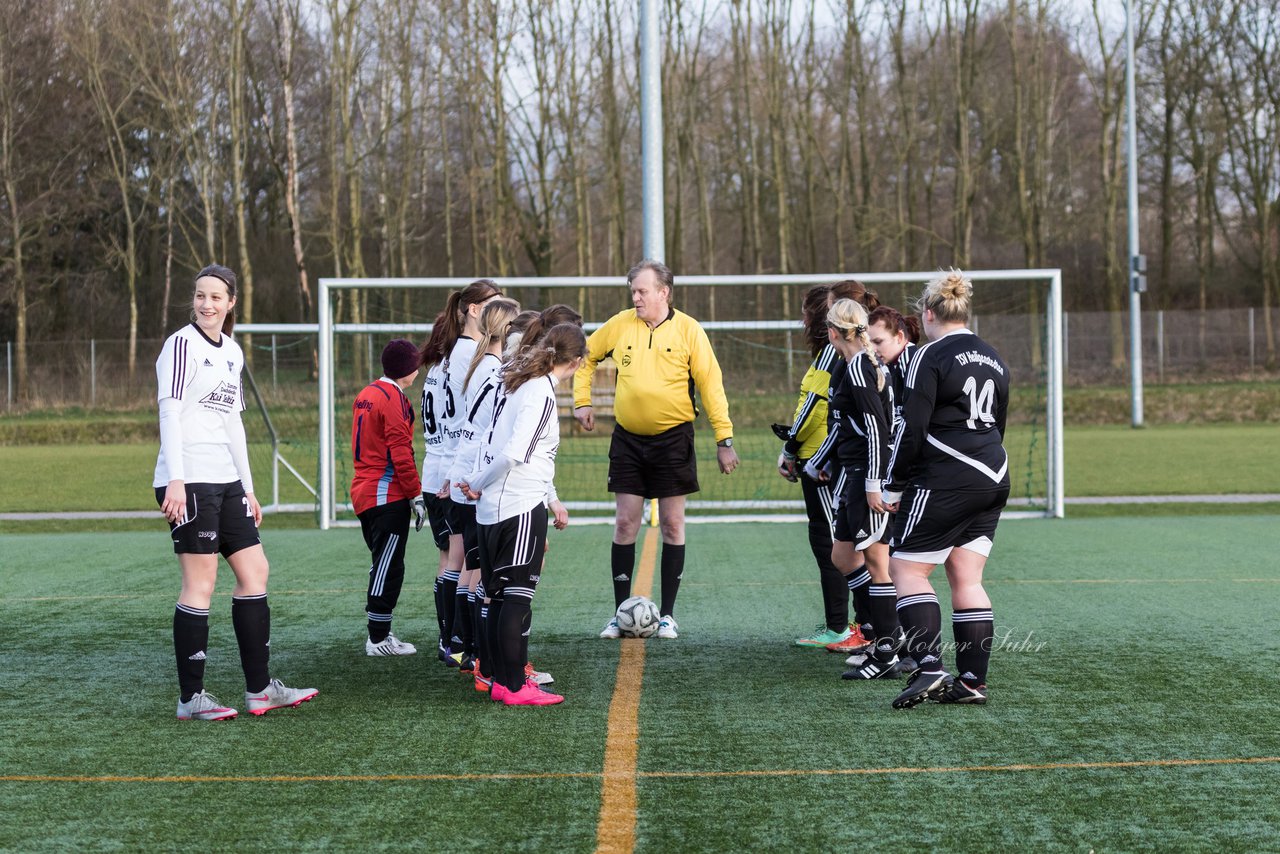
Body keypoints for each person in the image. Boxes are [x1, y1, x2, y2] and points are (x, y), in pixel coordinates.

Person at [155, 264, 317, 721]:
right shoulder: (179, 346)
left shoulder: (232, 351)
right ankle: (191, 699)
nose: (206, 304)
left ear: (231, 304)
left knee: (255, 572)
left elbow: (233, 423)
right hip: (189, 480)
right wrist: (176, 479)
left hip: (226, 481)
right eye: (200, 296)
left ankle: (260, 690)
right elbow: (169, 413)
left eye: (215, 297)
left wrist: (248, 488)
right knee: (200, 584)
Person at [575, 260, 738, 639]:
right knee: (625, 523)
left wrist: (724, 439)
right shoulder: (620, 324)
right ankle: (620, 614)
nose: (636, 297)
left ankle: (666, 615)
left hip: (673, 439)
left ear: (664, 292)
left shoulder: (689, 330)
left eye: (642, 291)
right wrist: (582, 400)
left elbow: (711, 386)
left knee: (672, 523)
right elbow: (585, 357)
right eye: (633, 291)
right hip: (628, 440)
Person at [881, 270, 1011, 709]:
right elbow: (999, 424)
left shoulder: (926, 355)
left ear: (929, 313)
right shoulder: (994, 356)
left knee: (906, 570)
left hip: (947, 477)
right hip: (994, 475)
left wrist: (894, 486)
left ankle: (930, 667)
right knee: (966, 576)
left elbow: (911, 428)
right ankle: (972, 680)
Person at [460, 323, 587, 705]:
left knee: (498, 596)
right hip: (515, 505)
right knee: (515, 598)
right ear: (578, 362)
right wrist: (479, 481)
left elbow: (504, 445)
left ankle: (502, 680)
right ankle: (514, 686)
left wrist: (551, 497)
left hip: (497, 505)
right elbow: (515, 454)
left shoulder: (521, 385)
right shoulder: (538, 393)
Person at [782, 281, 883, 654]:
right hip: (829, 459)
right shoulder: (843, 357)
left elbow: (819, 409)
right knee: (841, 543)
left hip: (831, 463)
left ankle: (854, 627)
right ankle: (862, 627)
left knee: (842, 545)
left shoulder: (840, 359)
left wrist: (794, 448)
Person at [817, 298, 901, 680]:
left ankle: (888, 649)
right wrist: (820, 460)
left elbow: (878, 430)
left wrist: (873, 484)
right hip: (850, 474)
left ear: (833, 332)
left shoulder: (860, 368)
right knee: (843, 557)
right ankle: (881, 633)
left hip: (865, 477)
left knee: (877, 564)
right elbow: (847, 425)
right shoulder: (853, 366)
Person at [442, 296, 522, 690]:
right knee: (479, 573)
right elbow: (490, 434)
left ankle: (466, 649)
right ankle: (477, 656)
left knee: (471, 567)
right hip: (473, 479)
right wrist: (477, 478)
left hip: (464, 474)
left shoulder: (483, 364)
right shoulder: (492, 369)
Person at [435, 279, 504, 668]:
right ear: (476, 310)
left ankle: (457, 642)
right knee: (467, 561)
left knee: (461, 559)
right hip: (465, 469)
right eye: (495, 305)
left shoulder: (462, 353)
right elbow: (473, 424)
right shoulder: (472, 357)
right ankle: (462, 643)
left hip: (455, 465)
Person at [351, 339, 426, 656]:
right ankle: (378, 638)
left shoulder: (367, 393)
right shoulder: (392, 398)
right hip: (385, 494)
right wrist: (416, 495)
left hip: (365, 490)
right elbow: (400, 452)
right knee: (388, 566)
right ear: (408, 368)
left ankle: (381, 632)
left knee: (384, 563)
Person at [418, 312, 462, 664]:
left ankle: (446, 639)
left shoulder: (434, 370)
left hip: (432, 472)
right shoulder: (457, 369)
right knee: (460, 559)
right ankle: (455, 642)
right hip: (451, 473)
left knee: (446, 556)